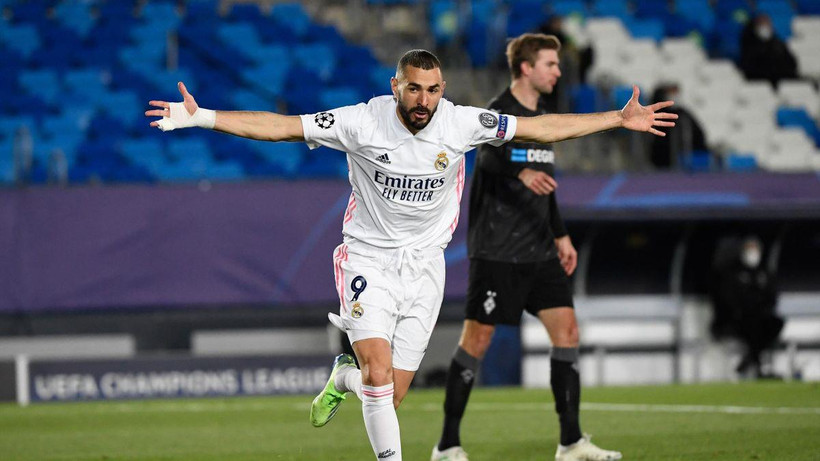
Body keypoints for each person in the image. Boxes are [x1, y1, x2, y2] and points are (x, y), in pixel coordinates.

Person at [145, 49, 676, 461]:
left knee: (387, 395)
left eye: (434, 91)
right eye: (415, 89)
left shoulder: (462, 123)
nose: (424, 100)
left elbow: (541, 127)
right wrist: (204, 117)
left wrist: (615, 118)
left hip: (426, 267)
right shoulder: (360, 122)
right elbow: (283, 126)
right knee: (378, 375)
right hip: (368, 258)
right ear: (395, 86)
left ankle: (341, 377)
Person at [431, 34, 621, 461]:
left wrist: (560, 233)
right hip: (497, 248)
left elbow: (547, 187)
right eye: (550, 64)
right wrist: (519, 175)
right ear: (525, 68)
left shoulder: (544, 118)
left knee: (567, 332)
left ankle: (571, 442)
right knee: (476, 341)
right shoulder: (498, 112)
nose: (557, 71)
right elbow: (486, 156)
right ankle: (447, 444)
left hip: (539, 250)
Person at [709, 235, 782, 379]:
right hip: (737, 319)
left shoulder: (763, 273)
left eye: (755, 249)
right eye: (749, 249)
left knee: (774, 323)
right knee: (752, 325)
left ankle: (750, 360)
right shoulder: (733, 273)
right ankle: (757, 365)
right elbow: (729, 300)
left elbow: (771, 297)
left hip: (760, 318)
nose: (752, 253)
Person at [649, 83, 707, 170]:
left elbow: (699, 135)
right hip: (662, 158)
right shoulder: (654, 113)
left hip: (684, 157)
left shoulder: (682, 113)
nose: (675, 95)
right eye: (672, 92)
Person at [739, 13, 797, 88]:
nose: (765, 27)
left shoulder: (778, 43)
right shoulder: (749, 44)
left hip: (782, 79)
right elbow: (749, 66)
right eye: (762, 24)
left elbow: (792, 63)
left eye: (767, 24)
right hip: (759, 82)